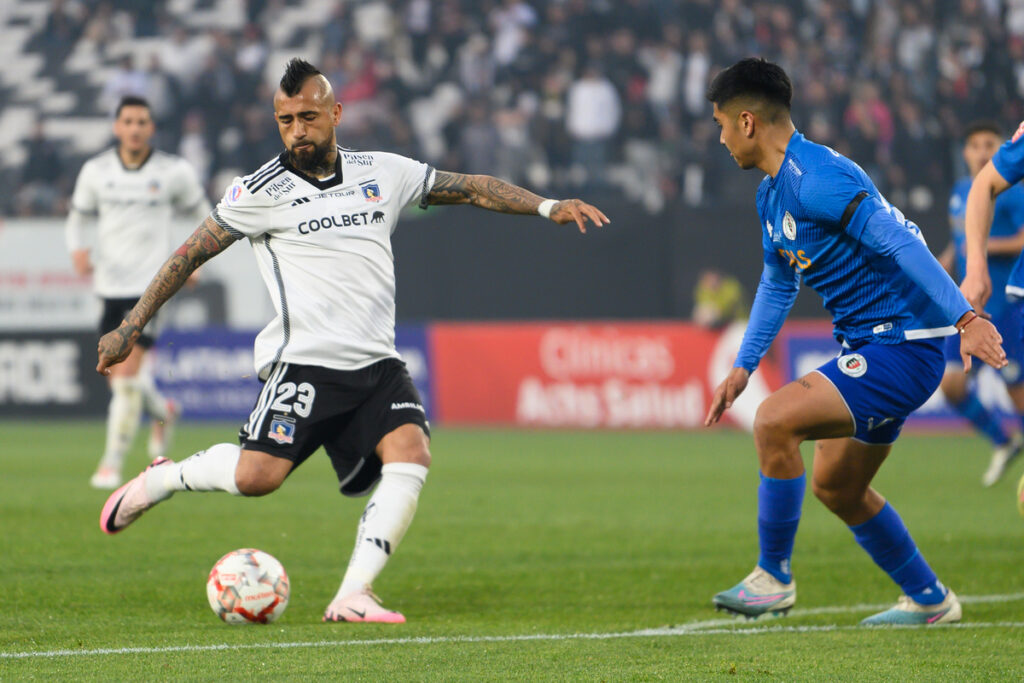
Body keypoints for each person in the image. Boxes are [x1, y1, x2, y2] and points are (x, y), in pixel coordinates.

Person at [95, 58, 609, 624]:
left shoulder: (382, 172)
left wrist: (547, 206)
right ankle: (163, 478)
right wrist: (129, 326)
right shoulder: (258, 191)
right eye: (285, 120)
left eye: (308, 117)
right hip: (306, 364)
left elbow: (468, 188)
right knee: (256, 478)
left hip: (377, 364)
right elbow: (189, 253)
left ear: (335, 113)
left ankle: (352, 594)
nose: (297, 131)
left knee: (411, 454)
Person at [702, 58, 1006, 626]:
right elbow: (777, 279)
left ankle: (773, 577)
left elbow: (898, 244)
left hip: (901, 346)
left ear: (747, 122)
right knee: (837, 487)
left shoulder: (818, 177)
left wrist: (966, 319)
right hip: (871, 347)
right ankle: (930, 600)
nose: (719, 138)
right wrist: (744, 366)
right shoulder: (772, 195)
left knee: (773, 422)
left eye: (720, 123)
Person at [66, 95, 210, 490]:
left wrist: (195, 260)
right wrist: (78, 249)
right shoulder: (96, 171)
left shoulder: (173, 171)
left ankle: (110, 464)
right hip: (109, 286)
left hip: (152, 287)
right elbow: (78, 217)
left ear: (151, 128)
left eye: (142, 121)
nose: (135, 128)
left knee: (127, 375)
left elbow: (204, 213)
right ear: (117, 127)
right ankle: (164, 410)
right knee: (119, 378)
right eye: (128, 121)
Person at [937, 122, 1024, 486]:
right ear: (965, 152)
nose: (982, 150)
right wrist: (937, 269)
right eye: (975, 145)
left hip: (1005, 304)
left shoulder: (1013, 191)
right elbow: (958, 243)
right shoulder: (960, 192)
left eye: (990, 143)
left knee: (1016, 389)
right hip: (968, 307)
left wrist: (982, 250)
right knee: (951, 385)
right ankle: (1003, 441)